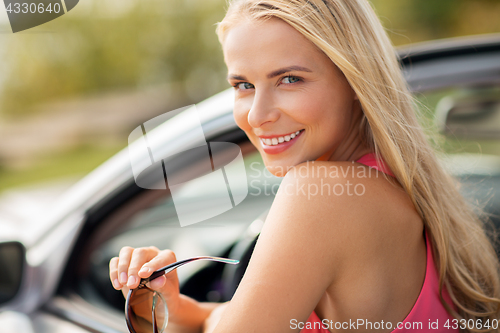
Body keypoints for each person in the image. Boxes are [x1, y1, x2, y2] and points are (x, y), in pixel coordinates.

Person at [109, 0, 500, 332]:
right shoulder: (400, 184)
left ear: (354, 79)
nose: (257, 116)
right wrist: (176, 310)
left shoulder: (323, 195)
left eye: (290, 79)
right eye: (243, 85)